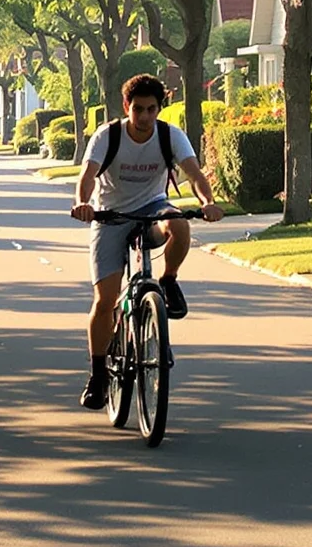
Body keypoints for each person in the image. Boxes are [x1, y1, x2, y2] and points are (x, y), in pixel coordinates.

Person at [70, 73, 223, 408]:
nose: (144, 116)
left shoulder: (170, 135)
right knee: (105, 300)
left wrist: (208, 203)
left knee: (179, 224)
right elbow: (87, 175)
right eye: (137, 109)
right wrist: (83, 204)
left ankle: (168, 281)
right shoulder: (107, 136)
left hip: (153, 208)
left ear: (159, 109)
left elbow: (195, 173)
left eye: (151, 109)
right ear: (126, 106)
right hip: (110, 215)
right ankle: (98, 375)